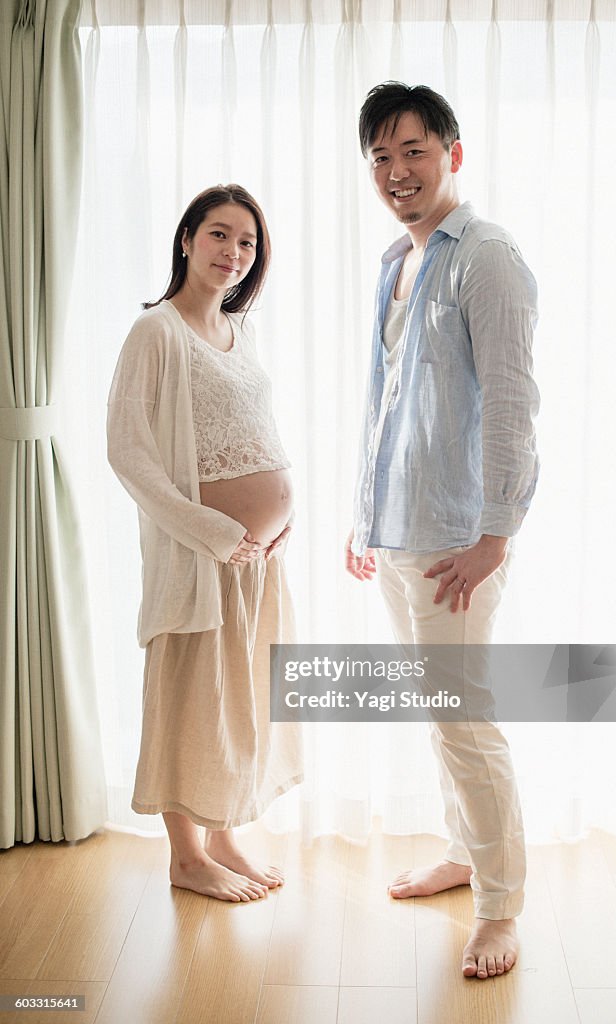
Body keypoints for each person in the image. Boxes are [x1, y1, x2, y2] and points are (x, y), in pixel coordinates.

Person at [345, 83, 540, 979]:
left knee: (465, 722)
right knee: (440, 715)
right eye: (381, 157)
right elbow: (388, 406)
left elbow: (510, 405)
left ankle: (501, 909)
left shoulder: (486, 257)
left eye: (413, 151)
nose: (397, 172)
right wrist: (364, 517)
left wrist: (496, 536)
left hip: (459, 539)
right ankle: (466, 858)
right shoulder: (397, 259)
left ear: (453, 154)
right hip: (401, 532)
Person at [107, 184, 302, 902]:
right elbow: (129, 453)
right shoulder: (156, 331)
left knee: (240, 697)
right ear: (187, 238)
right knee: (189, 700)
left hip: (255, 562)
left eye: (247, 242)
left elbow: (256, 431)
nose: (233, 252)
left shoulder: (238, 328)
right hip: (200, 556)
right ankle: (185, 858)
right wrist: (216, 533)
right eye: (220, 235)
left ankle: (224, 837)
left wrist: (285, 517)